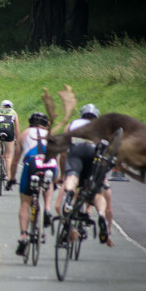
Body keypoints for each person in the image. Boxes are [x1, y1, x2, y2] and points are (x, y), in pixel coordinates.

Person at [54, 103, 115, 247]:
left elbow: (63, 153)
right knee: (98, 194)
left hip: (77, 152)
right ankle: (100, 213)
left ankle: (69, 198)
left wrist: (63, 174)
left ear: (82, 115)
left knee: (73, 180)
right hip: (94, 155)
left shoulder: (72, 125)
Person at [8, 112, 58, 256]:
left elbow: (15, 160)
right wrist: (56, 179)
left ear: (31, 123)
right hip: (50, 164)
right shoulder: (51, 135)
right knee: (48, 184)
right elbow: (56, 159)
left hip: (32, 163)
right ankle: (47, 209)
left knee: (25, 202)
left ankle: (23, 236)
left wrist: (11, 179)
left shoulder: (24, 134)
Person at [0, 100, 20, 189]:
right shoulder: (13, 112)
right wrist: (17, 140)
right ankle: (9, 179)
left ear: (1, 106)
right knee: (9, 156)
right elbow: (17, 129)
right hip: (9, 132)